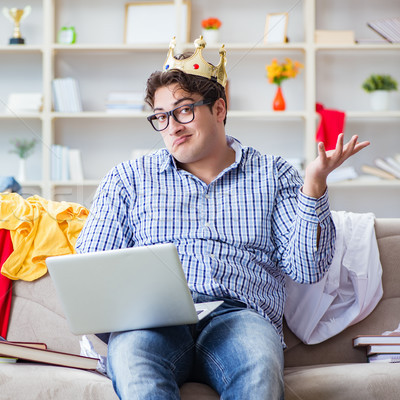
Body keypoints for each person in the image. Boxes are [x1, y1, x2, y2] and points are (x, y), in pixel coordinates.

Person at [74, 37, 370, 400]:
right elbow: (89, 273)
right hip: (153, 322)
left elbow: (307, 269)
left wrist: (314, 187)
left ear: (219, 109)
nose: (172, 127)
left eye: (184, 111)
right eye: (161, 117)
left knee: (259, 368)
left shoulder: (274, 174)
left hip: (240, 315)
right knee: (133, 362)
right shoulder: (128, 179)